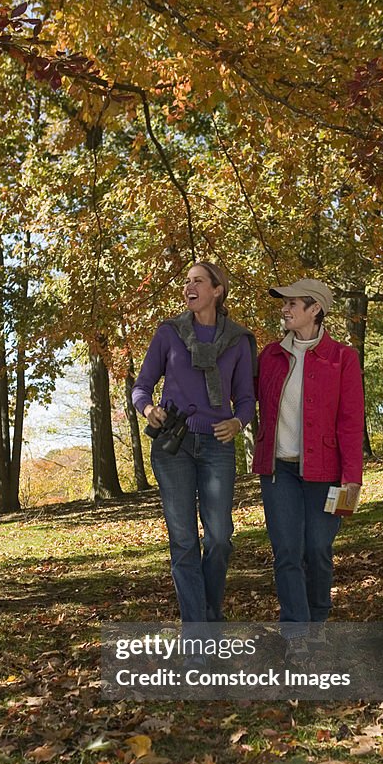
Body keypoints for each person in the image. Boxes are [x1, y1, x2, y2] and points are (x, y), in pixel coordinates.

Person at [132, 262, 256, 623]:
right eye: (187, 281)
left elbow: (246, 399)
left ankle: (209, 614)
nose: (189, 286)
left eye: (198, 281)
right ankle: (199, 632)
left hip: (217, 443)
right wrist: (148, 408)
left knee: (219, 537)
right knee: (184, 541)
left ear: (217, 290)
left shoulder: (239, 340)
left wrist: (237, 422)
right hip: (174, 444)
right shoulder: (169, 333)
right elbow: (141, 386)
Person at [252, 278, 364, 624]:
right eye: (284, 304)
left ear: (315, 310)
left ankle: (317, 621)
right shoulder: (270, 355)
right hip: (278, 471)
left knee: (317, 550)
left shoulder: (342, 358)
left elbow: (350, 422)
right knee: (287, 552)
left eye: (292, 304)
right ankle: (296, 631)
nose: (284, 310)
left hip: (325, 471)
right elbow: (244, 395)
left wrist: (352, 482)